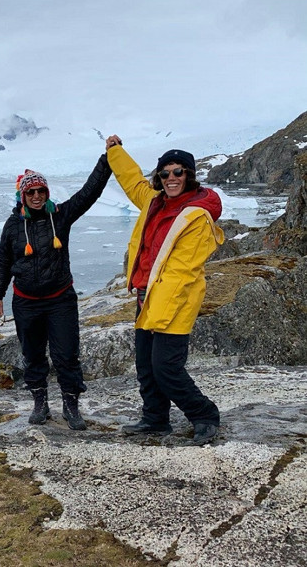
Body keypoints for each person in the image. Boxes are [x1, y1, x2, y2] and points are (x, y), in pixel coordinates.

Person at [105, 134, 224, 445]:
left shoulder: (196, 215)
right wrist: (115, 152)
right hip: (147, 295)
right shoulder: (155, 202)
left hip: (175, 300)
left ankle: (204, 415)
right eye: (165, 173)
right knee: (146, 365)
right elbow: (133, 182)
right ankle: (156, 419)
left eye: (178, 172)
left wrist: (158, 311)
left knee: (166, 367)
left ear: (189, 175)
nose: (171, 178)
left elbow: (181, 271)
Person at [0, 153, 111, 429]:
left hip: (60, 301)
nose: (36, 196)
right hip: (26, 303)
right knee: (32, 355)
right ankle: (40, 404)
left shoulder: (61, 216)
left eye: (41, 191)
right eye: (31, 191)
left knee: (66, 355)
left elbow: (88, 193)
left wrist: (107, 160)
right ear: (23, 195)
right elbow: (4, 262)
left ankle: (71, 406)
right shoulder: (12, 226)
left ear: (47, 192)